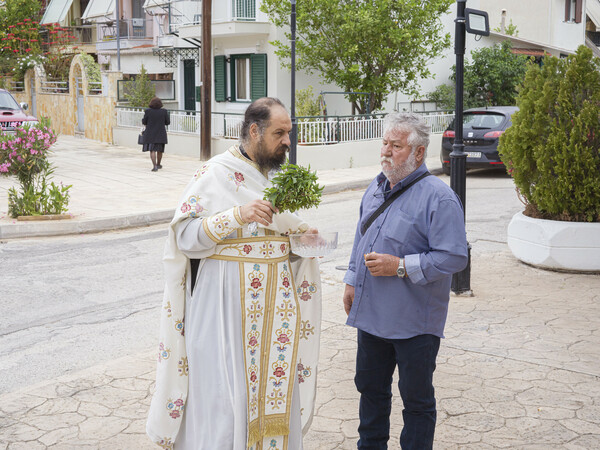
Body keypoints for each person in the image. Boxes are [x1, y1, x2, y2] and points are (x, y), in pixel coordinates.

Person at [146, 97, 322, 449]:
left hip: (275, 311)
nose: (287, 140)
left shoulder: (280, 178)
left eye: (289, 132)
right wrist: (237, 215)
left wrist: (308, 243)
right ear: (254, 131)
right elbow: (184, 237)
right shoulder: (215, 173)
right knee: (228, 401)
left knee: (275, 394)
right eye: (279, 133)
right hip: (224, 312)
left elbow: (286, 241)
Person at [342, 112, 468, 449]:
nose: (385, 151)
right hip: (371, 316)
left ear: (418, 153)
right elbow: (360, 236)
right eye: (384, 143)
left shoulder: (439, 198)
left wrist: (400, 266)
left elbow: (454, 256)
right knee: (370, 390)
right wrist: (352, 279)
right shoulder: (375, 186)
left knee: (416, 402)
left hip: (415, 323)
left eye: (396, 146)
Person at [142, 96, 170, 172]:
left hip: (150, 133)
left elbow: (144, 122)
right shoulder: (164, 111)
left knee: (152, 150)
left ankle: (154, 166)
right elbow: (167, 122)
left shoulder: (148, 111)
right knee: (160, 150)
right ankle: (158, 164)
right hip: (161, 133)